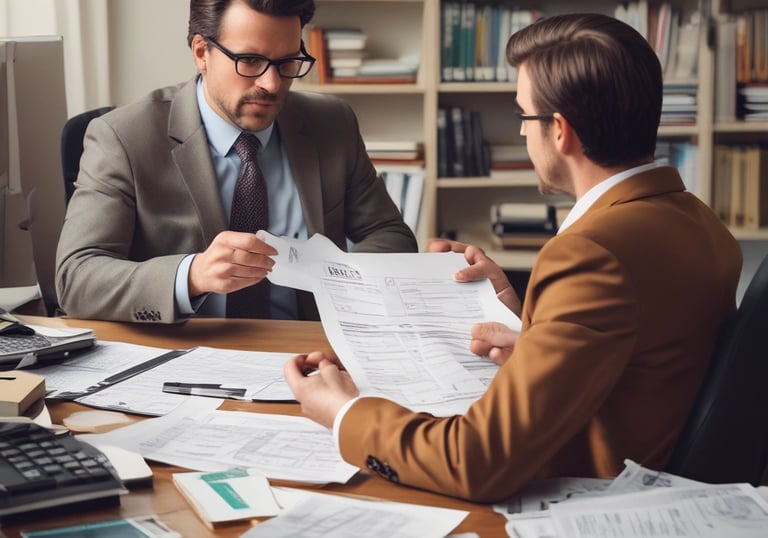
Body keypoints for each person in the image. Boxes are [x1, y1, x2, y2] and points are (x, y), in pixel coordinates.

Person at [284, 13, 743, 503]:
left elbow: (475, 461)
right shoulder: (696, 219)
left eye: (524, 115)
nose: (523, 133)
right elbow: (639, 360)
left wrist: (346, 414)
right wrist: (524, 318)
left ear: (560, 131)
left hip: (588, 499)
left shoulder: (591, 254)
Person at [55, 0, 417, 324]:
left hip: (308, 354)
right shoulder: (123, 137)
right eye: (250, 61)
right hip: (184, 360)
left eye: (288, 62)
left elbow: (390, 235)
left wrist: (338, 274)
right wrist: (191, 275)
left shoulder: (331, 123)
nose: (272, 84)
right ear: (201, 52)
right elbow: (77, 277)